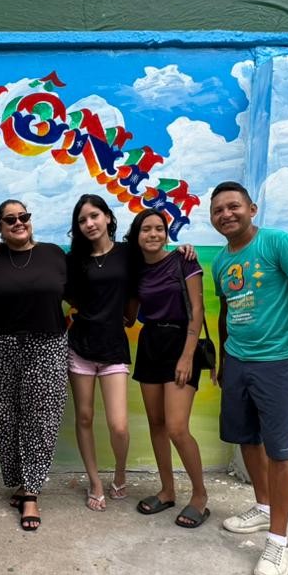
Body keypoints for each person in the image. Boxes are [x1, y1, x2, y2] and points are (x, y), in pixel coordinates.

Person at [209, 181, 288, 575]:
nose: (226, 215)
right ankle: (263, 508)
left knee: (280, 451)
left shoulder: (278, 243)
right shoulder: (221, 263)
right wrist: (224, 361)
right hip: (238, 362)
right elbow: (226, 313)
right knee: (247, 439)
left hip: (277, 362)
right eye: (218, 210)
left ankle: (279, 542)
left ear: (252, 209)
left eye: (233, 206)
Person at [0, 199, 68, 532]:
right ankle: (20, 480)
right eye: (9, 219)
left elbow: (81, 291)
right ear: (0, 227)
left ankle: (31, 492)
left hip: (48, 344)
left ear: (30, 220)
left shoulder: (54, 254)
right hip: (3, 345)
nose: (18, 222)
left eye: (23, 216)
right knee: (5, 418)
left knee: (41, 420)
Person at [126, 208, 211, 529]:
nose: (153, 234)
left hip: (181, 343)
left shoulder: (183, 260)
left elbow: (198, 310)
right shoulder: (136, 271)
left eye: (159, 228)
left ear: (166, 233)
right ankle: (167, 490)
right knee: (157, 423)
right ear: (137, 236)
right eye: (146, 229)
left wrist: (187, 356)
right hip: (150, 344)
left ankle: (200, 496)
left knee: (177, 427)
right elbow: (129, 317)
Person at [64, 194, 132, 511]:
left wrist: (185, 252)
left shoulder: (127, 253)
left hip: (114, 347)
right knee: (85, 417)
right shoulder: (74, 260)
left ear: (107, 217)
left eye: (94, 216)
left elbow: (156, 260)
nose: (89, 223)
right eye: (82, 220)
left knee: (119, 425)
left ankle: (120, 471)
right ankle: (94, 481)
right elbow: (63, 291)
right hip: (80, 346)